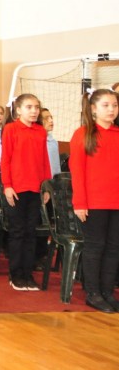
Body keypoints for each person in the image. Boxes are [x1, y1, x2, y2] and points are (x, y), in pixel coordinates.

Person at [69, 89, 119, 313]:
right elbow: (77, 171)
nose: (111, 110)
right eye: (106, 105)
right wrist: (80, 202)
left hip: (116, 201)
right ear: (93, 109)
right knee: (95, 247)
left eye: (115, 105)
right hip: (94, 202)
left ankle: (107, 291)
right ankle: (93, 293)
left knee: (114, 247)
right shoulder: (83, 134)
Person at [0, 93, 51, 291]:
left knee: (31, 233)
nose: (34, 111)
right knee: (17, 232)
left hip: (35, 188)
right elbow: (6, 159)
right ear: (18, 110)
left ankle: (28, 274)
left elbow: (44, 160)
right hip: (17, 188)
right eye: (29, 107)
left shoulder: (40, 131)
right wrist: (7, 185)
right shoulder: (11, 129)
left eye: (36, 107)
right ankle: (15, 274)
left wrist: (46, 186)